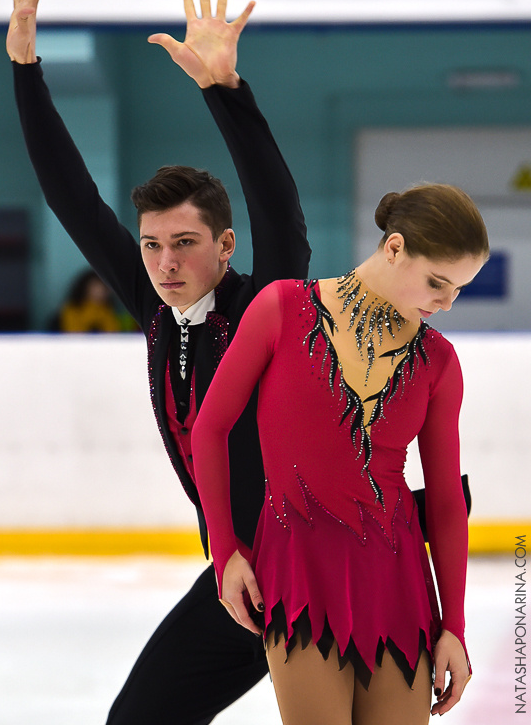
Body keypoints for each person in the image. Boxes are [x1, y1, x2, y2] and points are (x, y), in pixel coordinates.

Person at [7, 0, 310, 724]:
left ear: (227, 245)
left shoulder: (265, 310)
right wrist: (24, 70)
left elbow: (282, 214)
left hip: (314, 576)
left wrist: (224, 92)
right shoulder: (152, 303)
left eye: (184, 243)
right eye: (151, 246)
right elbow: (71, 196)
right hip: (235, 578)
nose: (166, 263)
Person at [192, 183, 489, 724]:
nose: (447, 304)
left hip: (399, 585)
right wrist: (226, 551)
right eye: (438, 283)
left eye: (459, 290)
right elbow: (209, 428)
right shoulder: (281, 308)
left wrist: (455, 628)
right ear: (395, 248)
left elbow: (446, 501)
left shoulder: (439, 363)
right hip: (299, 570)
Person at [49, 268, 124, 333]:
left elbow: (113, 334)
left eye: (105, 286)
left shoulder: (109, 311)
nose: (102, 290)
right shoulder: (72, 310)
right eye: (96, 285)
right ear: (85, 287)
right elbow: (73, 334)